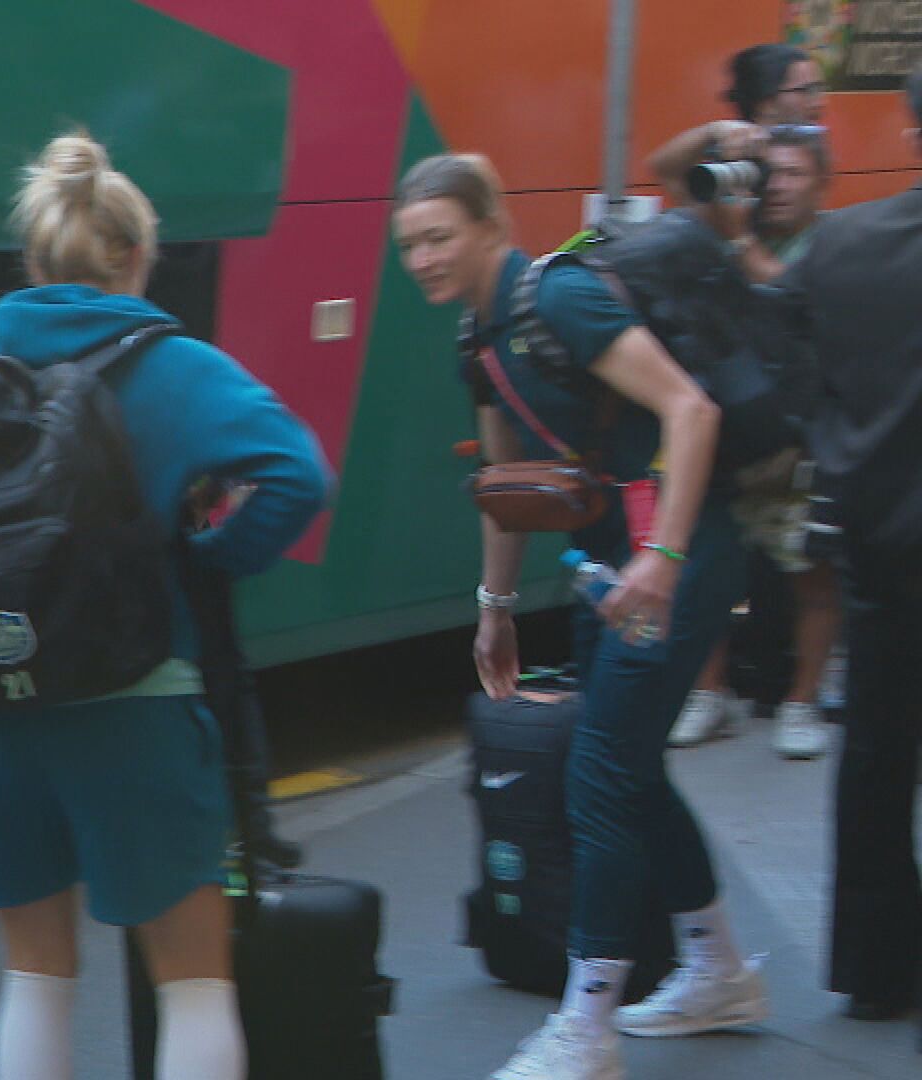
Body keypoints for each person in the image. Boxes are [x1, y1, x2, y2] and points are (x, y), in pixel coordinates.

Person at [0, 132, 330, 1080]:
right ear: (135, 255)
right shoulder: (176, 367)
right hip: (140, 699)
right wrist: (209, 558)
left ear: (33, 262)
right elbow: (298, 477)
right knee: (192, 983)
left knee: (35, 977)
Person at [394, 154, 768, 1079]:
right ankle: (718, 968)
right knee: (627, 770)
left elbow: (691, 409)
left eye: (440, 237)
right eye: (409, 245)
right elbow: (507, 487)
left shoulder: (557, 298)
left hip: (677, 555)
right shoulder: (479, 342)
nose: (424, 259)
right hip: (612, 565)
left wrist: (664, 559)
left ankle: (587, 1025)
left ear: (491, 226)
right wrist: (495, 610)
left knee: (599, 773)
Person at [720, 63, 922, 1028]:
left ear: (913, 136)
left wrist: (838, 437)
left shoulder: (846, 243)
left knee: (879, 755)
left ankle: (879, 969)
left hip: (885, 544)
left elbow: (779, 340)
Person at [669, 125, 842, 759]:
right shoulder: (724, 229)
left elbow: (793, 299)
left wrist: (737, 238)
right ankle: (707, 693)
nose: (779, 187)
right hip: (723, 435)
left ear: (822, 183)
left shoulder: (833, 245)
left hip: (800, 441)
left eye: (795, 174)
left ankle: (801, 701)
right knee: (701, 569)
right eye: (770, 174)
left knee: (814, 577)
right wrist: (713, 141)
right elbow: (667, 168)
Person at [647, 43, 827, 203]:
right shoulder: (728, 172)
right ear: (766, 103)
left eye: (793, 173)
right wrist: (713, 130)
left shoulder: (813, 153)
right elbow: (665, 168)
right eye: (807, 91)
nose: (819, 102)